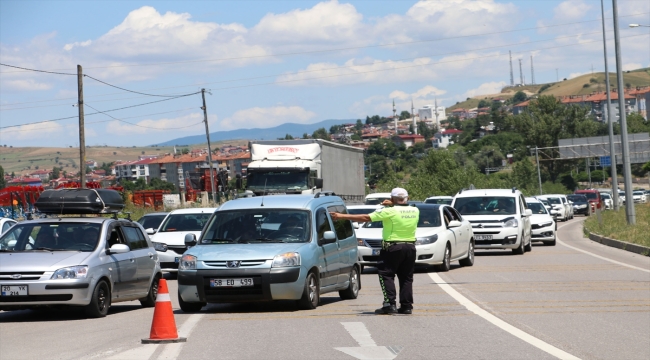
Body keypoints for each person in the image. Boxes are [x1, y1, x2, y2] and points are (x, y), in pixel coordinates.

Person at [330, 188, 419, 315]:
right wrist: (392, 204)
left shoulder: (389, 211)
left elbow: (366, 217)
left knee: (386, 274)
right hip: (410, 247)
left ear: (392, 198)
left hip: (392, 247)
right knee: (406, 278)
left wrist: (342, 216)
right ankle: (406, 306)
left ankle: (389, 304)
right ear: (408, 198)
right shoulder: (415, 210)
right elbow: (403, 208)